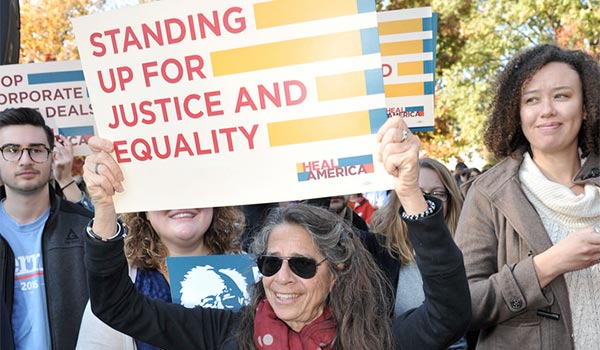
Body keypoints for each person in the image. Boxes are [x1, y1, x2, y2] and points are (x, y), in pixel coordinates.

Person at [81, 115, 470, 349]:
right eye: (269, 263)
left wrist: (410, 194)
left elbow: (449, 312)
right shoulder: (228, 331)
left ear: (335, 271)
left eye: (301, 265)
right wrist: (103, 207)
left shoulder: (374, 339)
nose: (281, 277)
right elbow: (115, 305)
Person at [454, 43, 600, 350]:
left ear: (586, 107)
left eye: (561, 95)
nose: (546, 109)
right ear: (517, 113)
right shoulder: (488, 195)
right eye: (531, 99)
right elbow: (460, 306)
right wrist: (547, 265)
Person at [76, 204, 244, 350]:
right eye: (166, 193)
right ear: (145, 212)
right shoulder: (121, 285)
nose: (182, 203)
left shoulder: (255, 274)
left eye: (194, 190)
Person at [0, 107, 93, 350]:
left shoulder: (84, 228)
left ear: (52, 157)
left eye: (36, 150)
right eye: (11, 150)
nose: (25, 159)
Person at [370, 157, 468, 350]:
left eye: (437, 193)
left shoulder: (471, 248)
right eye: (417, 192)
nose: (425, 200)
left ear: (451, 199)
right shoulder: (379, 252)